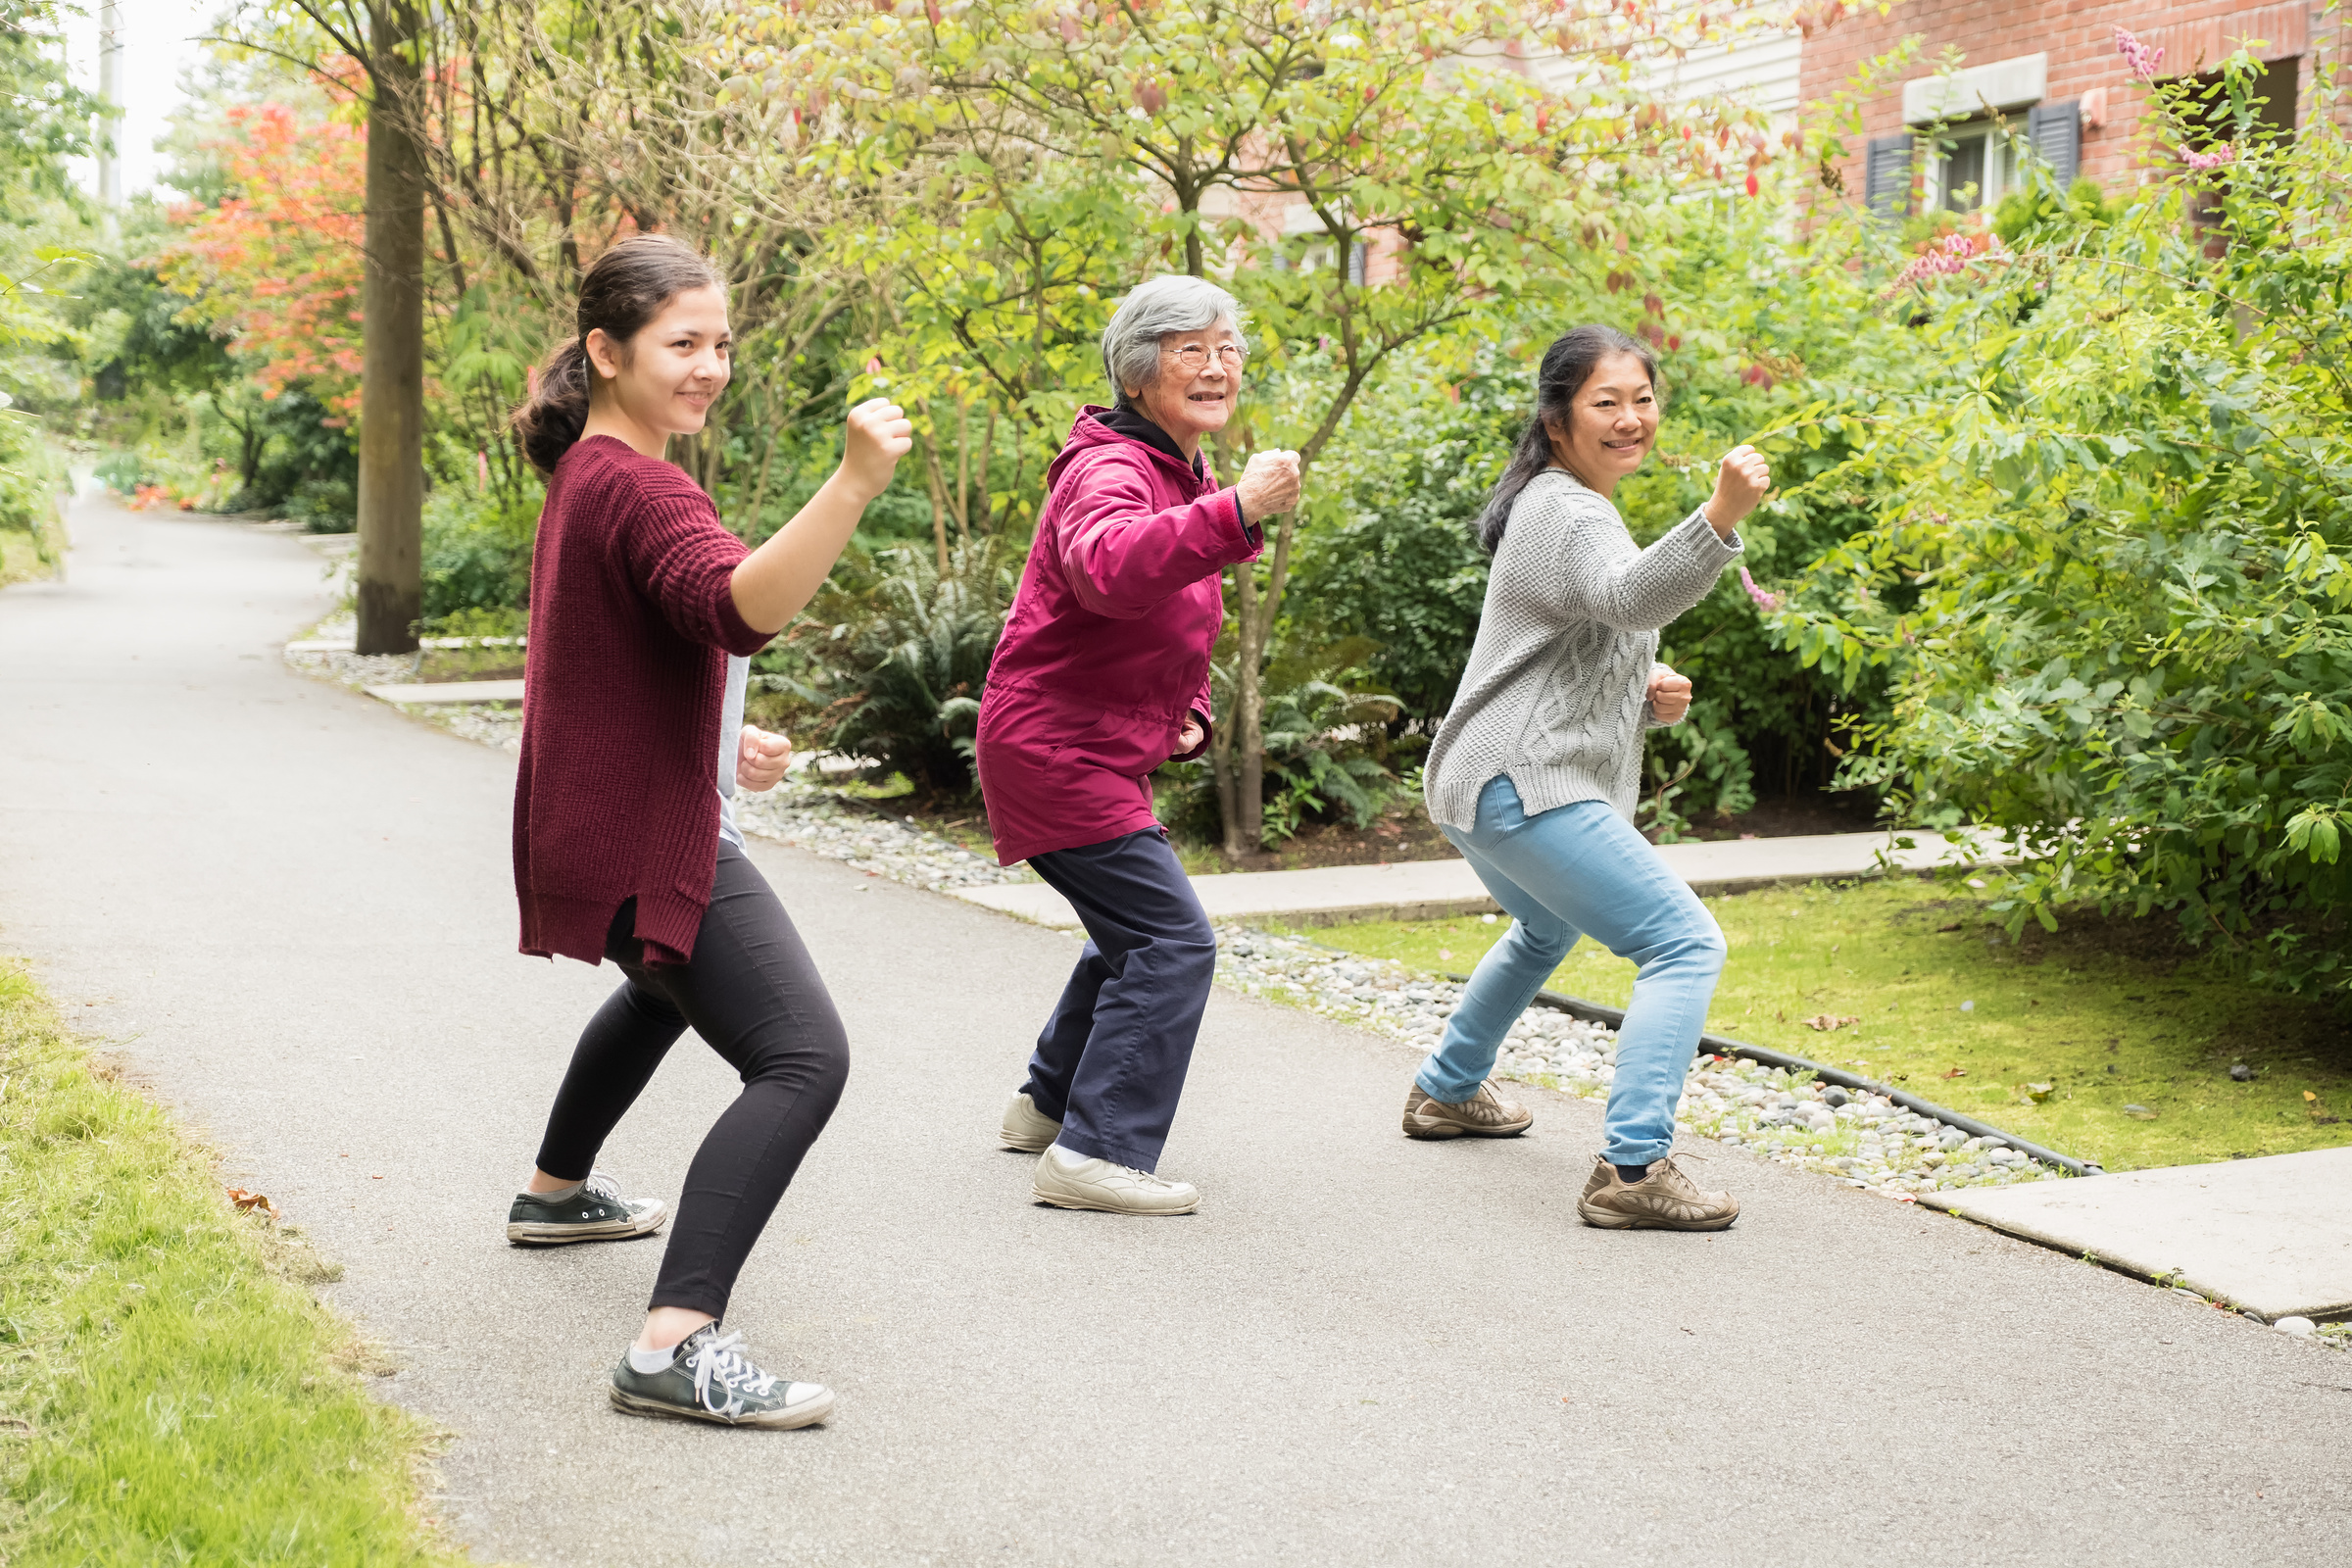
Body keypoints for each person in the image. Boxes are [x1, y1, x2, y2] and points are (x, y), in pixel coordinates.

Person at [503, 233, 912, 1426]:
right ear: (606, 350)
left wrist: (713, 743)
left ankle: (554, 1190)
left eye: (721, 342)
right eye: (683, 343)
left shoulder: (588, 472)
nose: (709, 366)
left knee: (662, 984)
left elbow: (609, 659)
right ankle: (674, 1341)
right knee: (801, 1057)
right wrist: (850, 485)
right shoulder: (637, 483)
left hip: (596, 814)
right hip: (639, 833)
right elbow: (737, 610)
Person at [1414, 324, 1770, 1232]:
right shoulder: (1568, 508)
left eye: (1642, 400)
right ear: (1557, 418)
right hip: (1524, 782)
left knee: (1542, 930)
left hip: (1481, 777)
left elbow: (1578, 631)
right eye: (1605, 403)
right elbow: (1628, 597)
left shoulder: (1563, 503)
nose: (1629, 419)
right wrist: (1718, 518)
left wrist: (1642, 684)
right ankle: (1633, 1169)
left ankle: (1448, 1090)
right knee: (1685, 945)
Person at [974, 274, 1300, 1215]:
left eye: (1229, 347)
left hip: (1082, 746)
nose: (1217, 366)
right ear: (1137, 368)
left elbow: (1165, 616)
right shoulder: (1110, 469)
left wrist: (1185, 711)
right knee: (1170, 939)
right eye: (1190, 349)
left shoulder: (1170, 469)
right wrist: (1238, 510)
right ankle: (1095, 1151)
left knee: (1131, 933)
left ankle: (1046, 1107)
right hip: (1053, 748)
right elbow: (1113, 571)